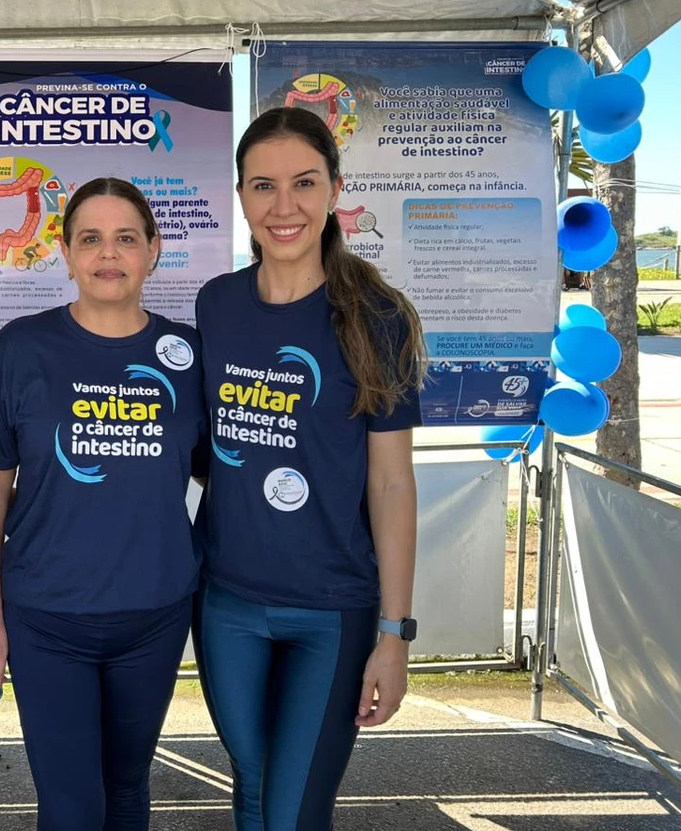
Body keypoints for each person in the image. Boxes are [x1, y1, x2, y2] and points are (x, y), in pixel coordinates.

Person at [193, 107, 426, 830]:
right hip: (226, 602)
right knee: (255, 789)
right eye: (263, 186)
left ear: (334, 190)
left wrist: (395, 634)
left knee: (294, 811)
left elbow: (391, 484)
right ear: (240, 196)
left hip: (334, 609)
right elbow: (205, 447)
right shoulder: (217, 304)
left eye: (304, 183)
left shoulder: (376, 314)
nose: (283, 206)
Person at [0, 177, 207, 831]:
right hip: (47, 619)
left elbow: (226, 473)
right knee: (72, 808)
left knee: (127, 792)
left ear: (152, 250)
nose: (109, 254)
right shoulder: (22, 347)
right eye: (91, 239)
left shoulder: (189, 356)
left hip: (155, 615)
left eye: (126, 238)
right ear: (66, 252)